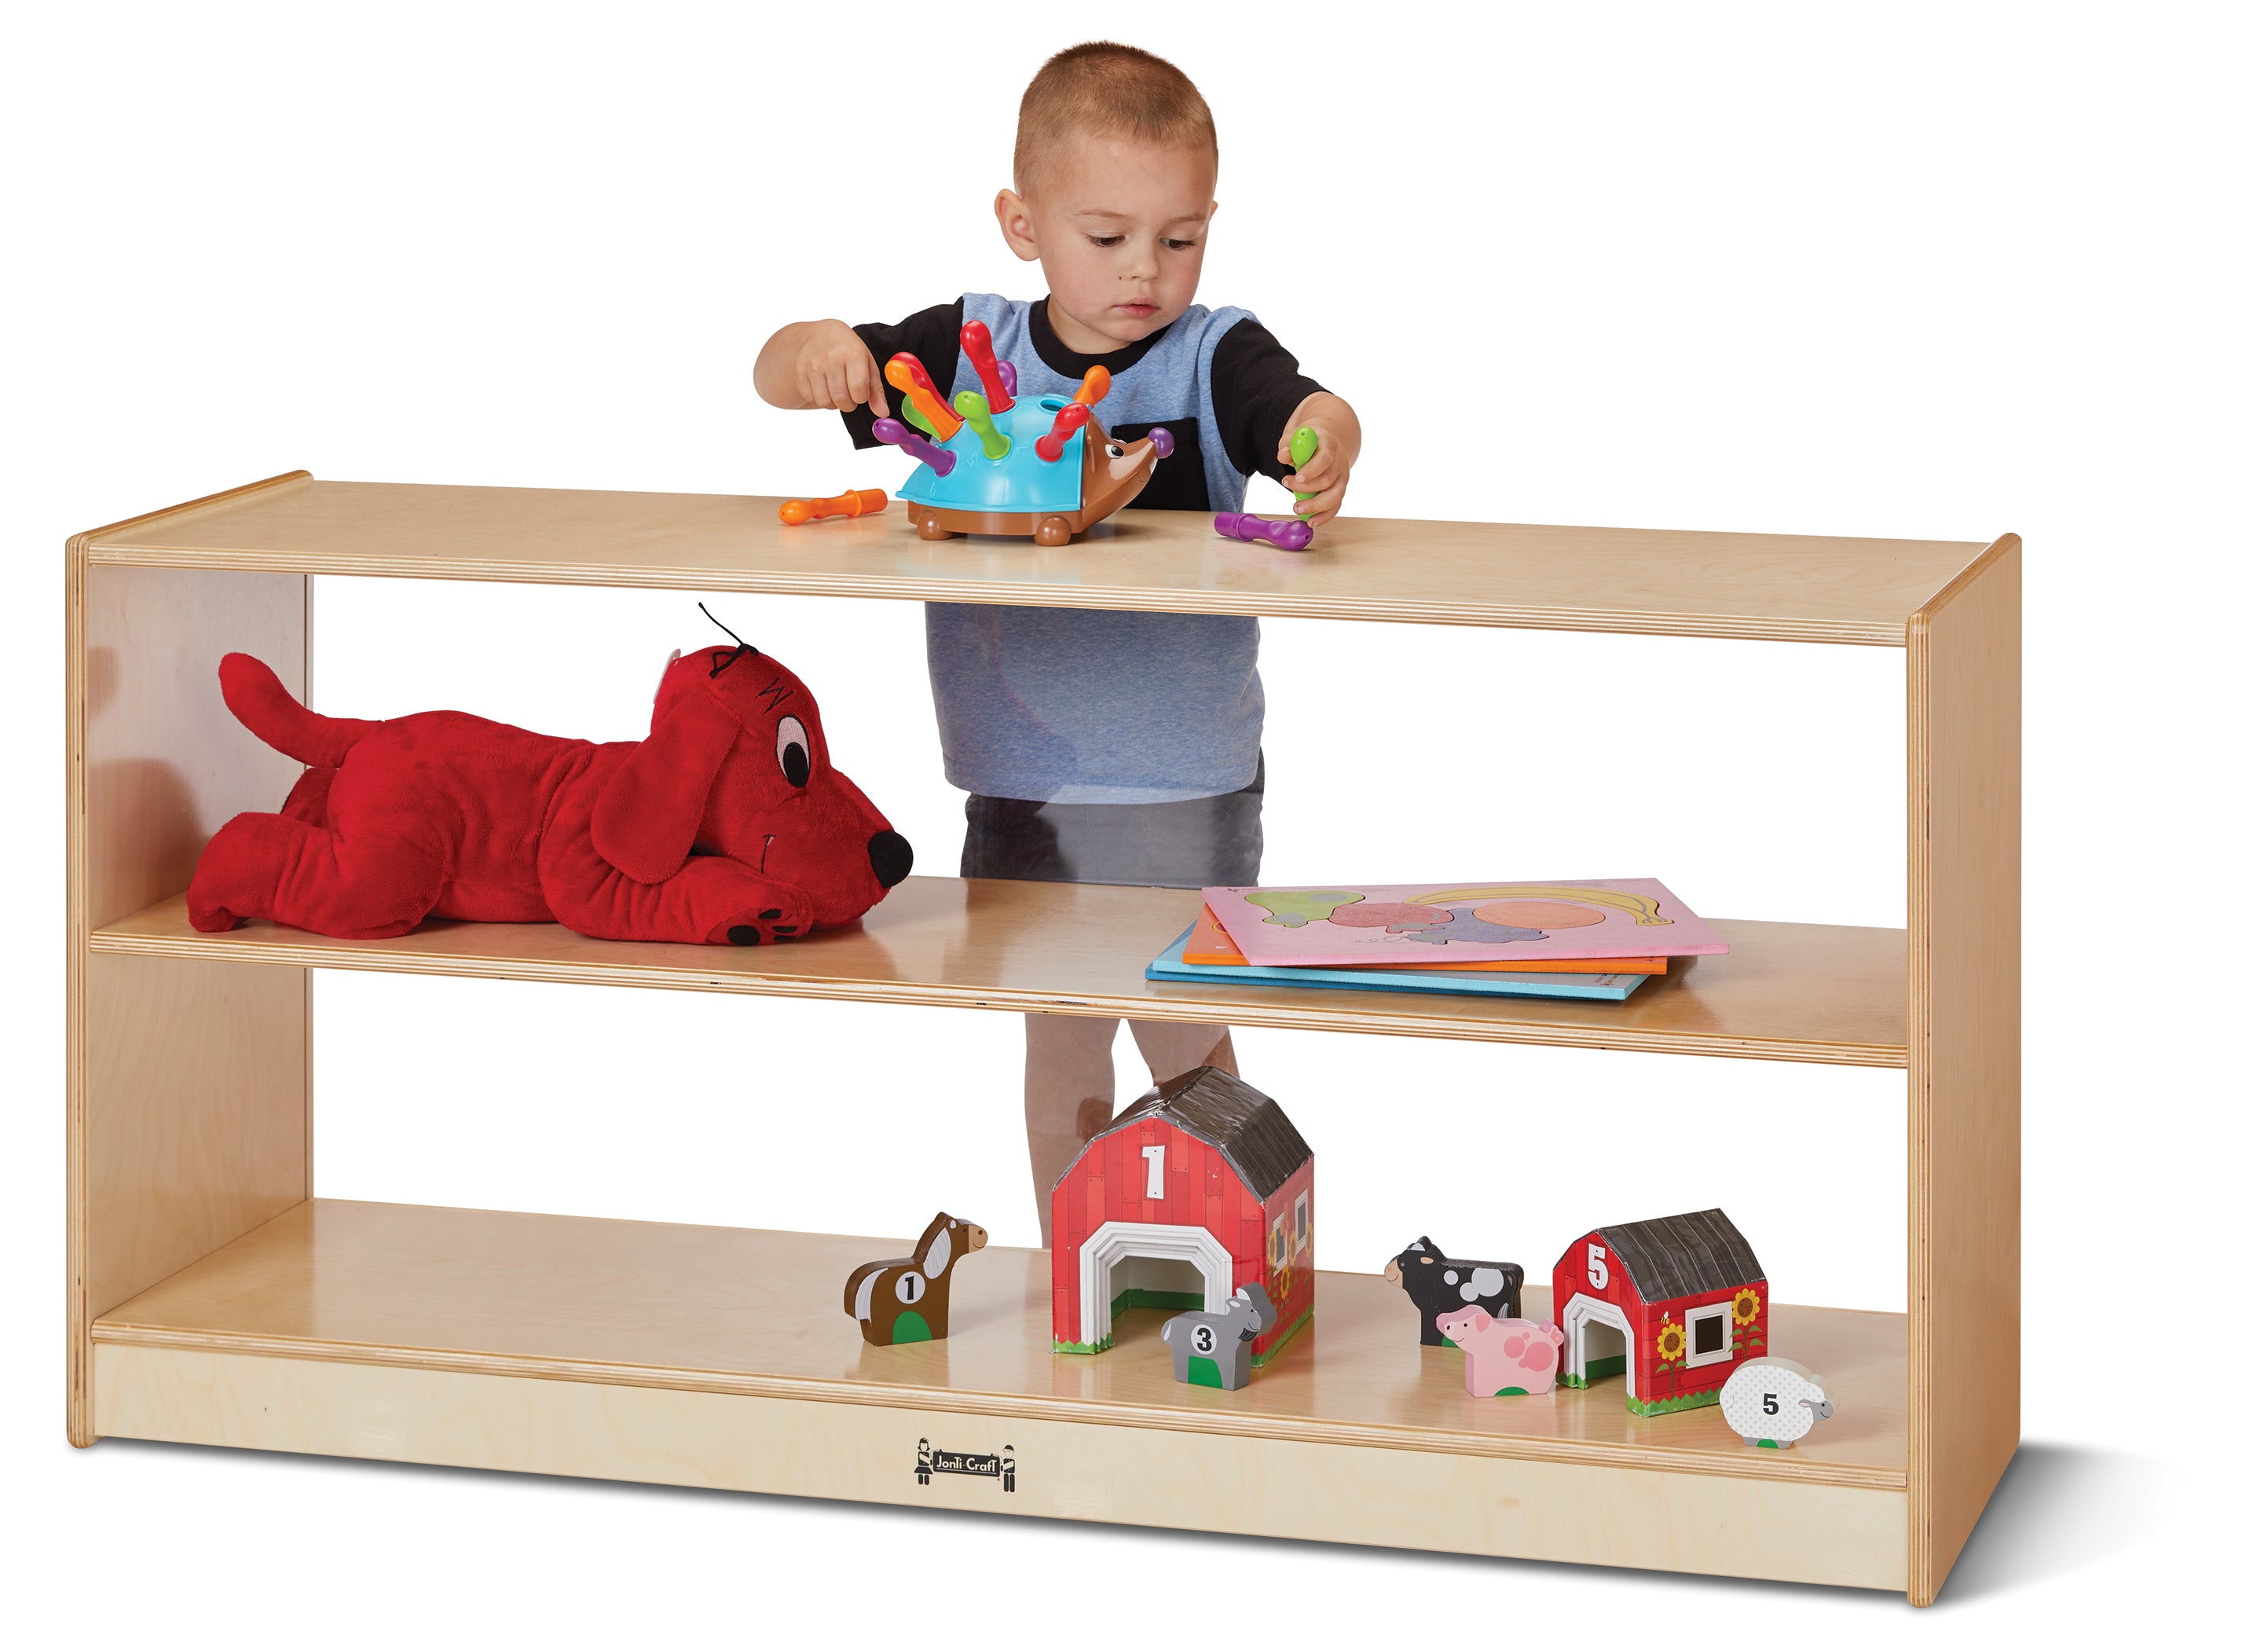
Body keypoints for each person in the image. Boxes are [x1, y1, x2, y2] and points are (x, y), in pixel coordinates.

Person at [753, 42, 1362, 1244]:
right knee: (1060, 1037)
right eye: (1108, 235)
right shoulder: (965, 349)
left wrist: (1324, 435)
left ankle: (1245, 1268)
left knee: (1188, 1043)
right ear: (1021, 225)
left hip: (1182, 777)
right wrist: (815, 345)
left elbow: (1298, 403)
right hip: (1019, 781)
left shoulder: (1209, 354)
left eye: (1180, 237)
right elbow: (779, 372)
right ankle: (1073, 1267)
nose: (1146, 269)